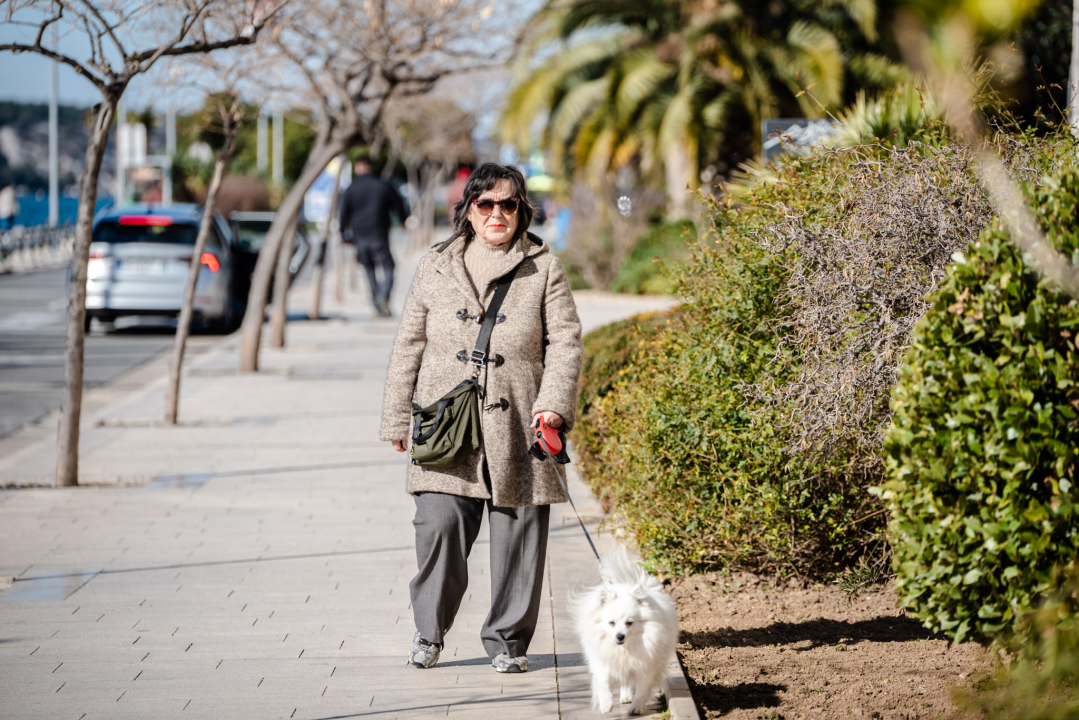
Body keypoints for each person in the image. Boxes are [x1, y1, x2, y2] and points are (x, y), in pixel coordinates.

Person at [380, 163, 584, 674]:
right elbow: (409, 342)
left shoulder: (544, 267)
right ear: (468, 210)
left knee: (519, 534)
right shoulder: (436, 264)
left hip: (520, 419)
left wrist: (553, 402)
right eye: (486, 204)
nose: (497, 214)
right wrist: (394, 419)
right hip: (447, 422)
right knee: (440, 525)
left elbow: (565, 341)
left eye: (508, 204)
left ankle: (508, 641)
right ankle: (429, 631)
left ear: (522, 211)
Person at [338, 155, 408, 317]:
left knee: (369, 269)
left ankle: (377, 302)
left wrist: (342, 233)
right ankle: (383, 295)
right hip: (380, 234)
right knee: (389, 267)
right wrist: (403, 220)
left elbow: (343, 212)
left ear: (359, 166)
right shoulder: (383, 185)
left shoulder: (351, 188)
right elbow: (398, 204)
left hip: (359, 235)